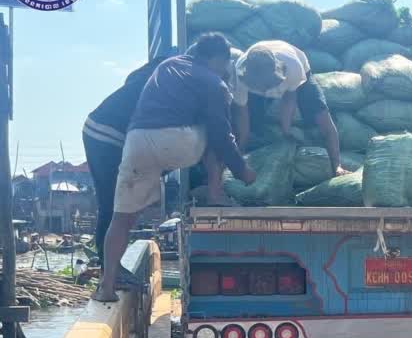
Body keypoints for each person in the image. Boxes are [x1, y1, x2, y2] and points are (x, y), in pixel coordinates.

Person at [92, 33, 254, 303]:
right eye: (226, 64)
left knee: (121, 219)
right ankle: (215, 193)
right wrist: (242, 170)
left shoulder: (168, 65)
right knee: (216, 132)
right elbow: (222, 136)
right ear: (219, 58)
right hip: (175, 143)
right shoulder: (214, 83)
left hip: (137, 141)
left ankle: (107, 287)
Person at [82, 56, 166, 283]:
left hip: (101, 129)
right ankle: (110, 269)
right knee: (113, 205)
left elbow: (131, 78)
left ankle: (110, 267)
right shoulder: (177, 75)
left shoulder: (159, 70)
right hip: (108, 134)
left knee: (115, 205)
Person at [233, 40, 343, 173]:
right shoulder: (240, 76)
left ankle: (337, 165)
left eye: (268, 84)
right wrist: (240, 152)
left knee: (320, 114)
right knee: (254, 123)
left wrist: (286, 130)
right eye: (260, 86)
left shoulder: (293, 68)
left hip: (298, 69)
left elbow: (289, 98)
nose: (265, 90)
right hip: (257, 77)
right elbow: (242, 114)